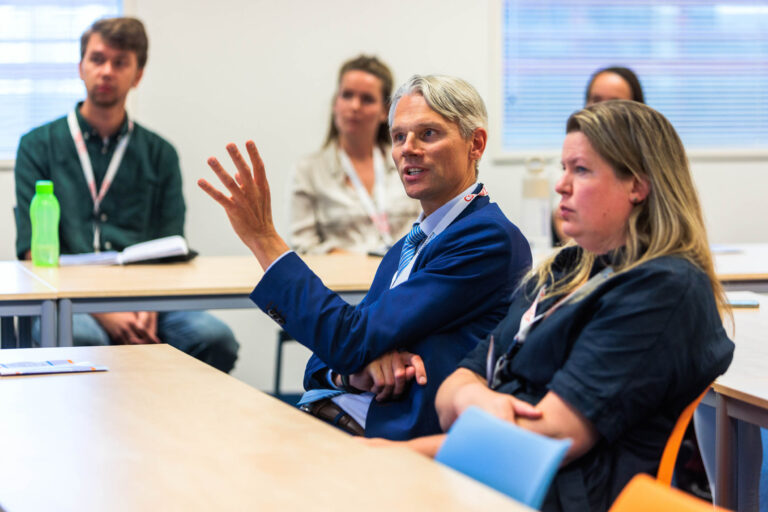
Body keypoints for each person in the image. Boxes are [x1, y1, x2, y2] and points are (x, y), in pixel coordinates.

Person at [373, 100, 734, 511]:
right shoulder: (565, 268)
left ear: (637, 186)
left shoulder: (663, 289)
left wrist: (411, 453)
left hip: (551, 493)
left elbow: (548, 438)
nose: (561, 185)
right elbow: (450, 391)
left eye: (581, 170)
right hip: (495, 476)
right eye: (564, 168)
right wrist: (483, 402)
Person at [199, 74, 532, 439]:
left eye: (428, 134)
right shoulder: (408, 246)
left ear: (476, 144)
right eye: (399, 136)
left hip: (381, 438)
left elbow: (348, 340)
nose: (408, 149)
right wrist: (350, 373)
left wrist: (265, 240)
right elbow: (324, 358)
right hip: (332, 414)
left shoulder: (486, 237)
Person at [14, 17, 239, 373]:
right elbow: (32, 250)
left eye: (120, 63)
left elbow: (171, 246)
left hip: (148, 297)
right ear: (81, 67)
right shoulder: (37, 146)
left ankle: (170, 409)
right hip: (69, 298)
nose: (106, 71)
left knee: (214, 338)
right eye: (97, 59)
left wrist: (148, 306)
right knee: (84, 340)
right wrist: (106, 314)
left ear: (138, 75)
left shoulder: (160, 154)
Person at [291, 55, 420, 255]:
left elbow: (427, 226)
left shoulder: (408, 160)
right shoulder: (309, 170)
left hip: (406, 269)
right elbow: (303, 245)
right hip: (339, 273)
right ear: (335, 103)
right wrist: (349, 261)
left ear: (385, 111)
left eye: (367, 99)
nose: (355, 106)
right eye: (347, 95)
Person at [552, 66, 646, 245]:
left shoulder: (653, 162)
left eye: (615, 103)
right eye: (596, 100)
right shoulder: (571, 153)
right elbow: (562, 221)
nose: (603, 109)